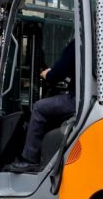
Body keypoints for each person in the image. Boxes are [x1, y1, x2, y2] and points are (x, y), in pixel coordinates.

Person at [6, 39, 76, 173]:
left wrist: (48, 74)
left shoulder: (80, 42)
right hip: (95, 99)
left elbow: (59, 72)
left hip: (77, 101)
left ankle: (30, 159)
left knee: (39, 107)